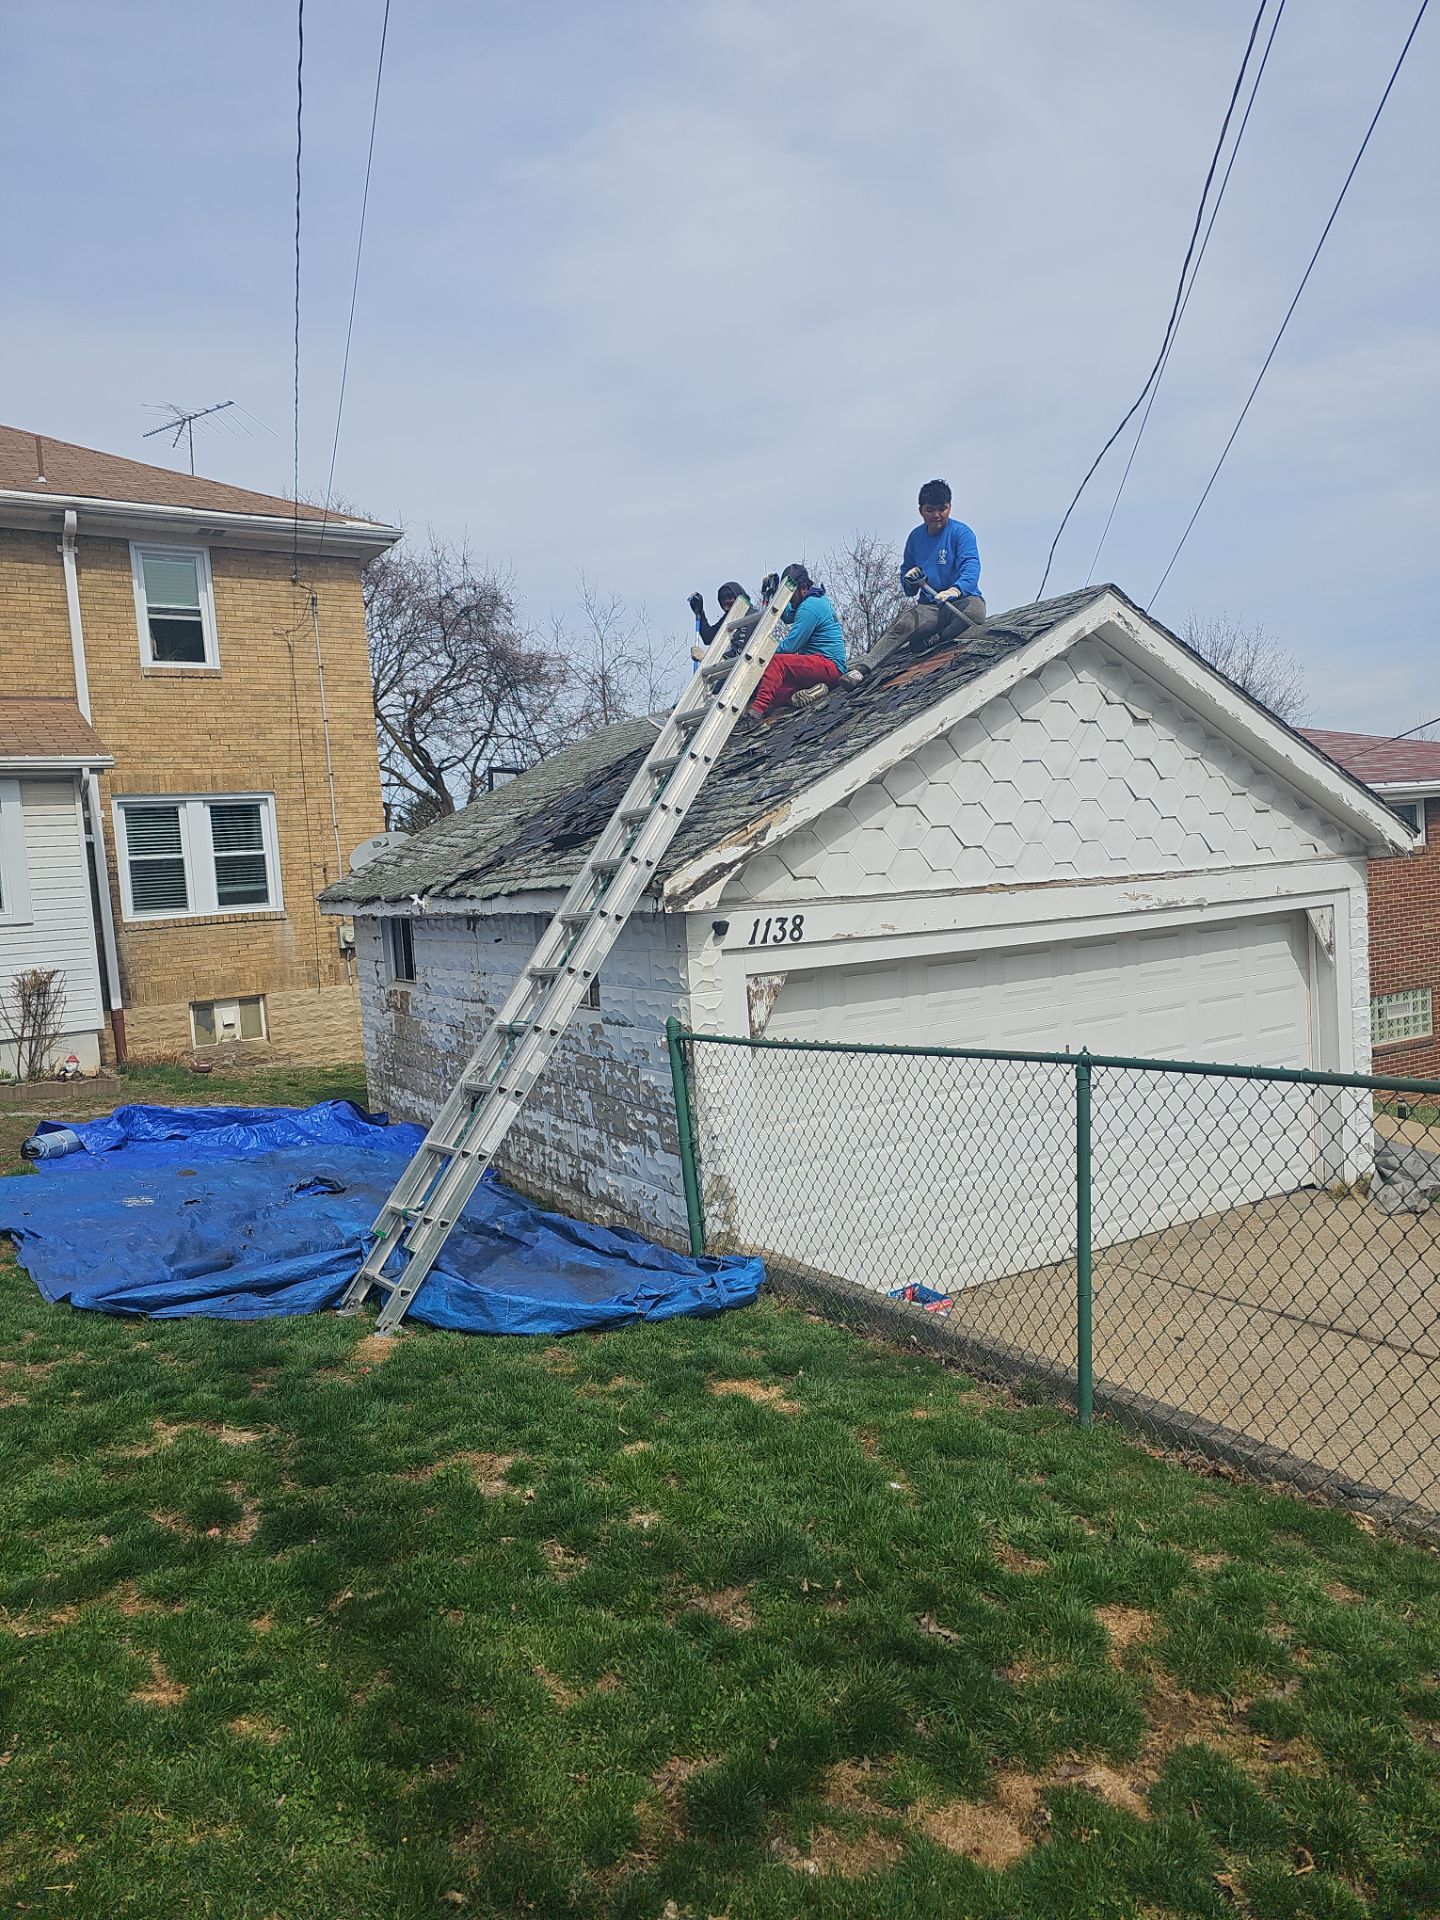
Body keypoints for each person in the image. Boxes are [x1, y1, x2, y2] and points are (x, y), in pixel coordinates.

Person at [849, 479, 985, 679]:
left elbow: (971, 565)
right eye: (930, 510)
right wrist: (910, 580)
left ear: (950, 507)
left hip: (959, 601)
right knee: (904, 624)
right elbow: (908, 581)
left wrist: (956, 589)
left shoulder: (961, 533)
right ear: (921, 510)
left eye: (942, 509)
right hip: (930, 607)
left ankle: (937, 640)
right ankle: (863, 668)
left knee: (975, 611)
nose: (937, 515)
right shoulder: (915, 538)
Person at [748, 564, 846, 720]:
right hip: (820, 668)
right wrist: (776, 596)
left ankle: (755, 713)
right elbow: (787, 616)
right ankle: (796, 696)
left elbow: (790, 647)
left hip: (829, 665)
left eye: (790, 596)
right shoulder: (808, 601)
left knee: (776, 663)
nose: (789, 600)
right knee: (767, 683)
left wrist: (760, 654)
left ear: (804, 588)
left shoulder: (810, 607)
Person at [688, 581, 755, 658]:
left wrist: (706, 658)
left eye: (731, 603)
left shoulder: (749, 615)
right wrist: (700, 613)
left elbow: (738, 651)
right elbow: (709, 637)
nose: (729, 609)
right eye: (725, 606)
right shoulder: (729, 616)